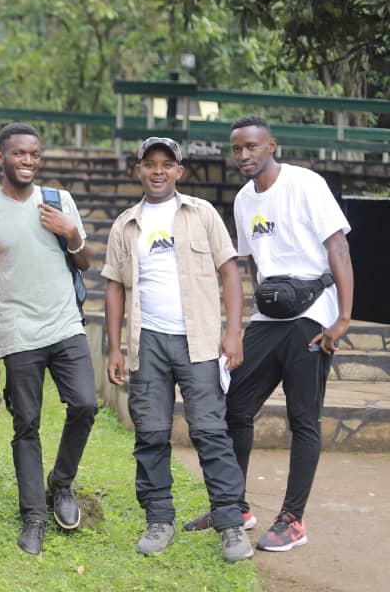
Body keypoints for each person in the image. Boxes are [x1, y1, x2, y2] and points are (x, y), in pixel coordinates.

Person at [185, 116, 354, 553]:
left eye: (252, 147)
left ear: (271, 146)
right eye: (237, 148)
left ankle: (293, 520)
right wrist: (244, 323)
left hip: (313, 316)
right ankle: (235, 505)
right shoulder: (244, 200)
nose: (243, 155)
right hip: (268, 319)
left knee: (303, 420)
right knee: (234, 407)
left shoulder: (306, 184)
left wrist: (341, 321)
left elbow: (339, 249)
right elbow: (253, 263)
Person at [0, 123, 97, 556]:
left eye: (34, 154)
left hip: (65, 326)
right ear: (0, 158)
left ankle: (61, 484)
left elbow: (84, 260)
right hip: (19, 336)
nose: (27, 161)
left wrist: (71, 231)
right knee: (26, 424)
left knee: (84, 404)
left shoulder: (58, 201)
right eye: (18, 154)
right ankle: (33, 517)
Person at [102, 137, 253, 562]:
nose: (157, 171)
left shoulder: (201, 215)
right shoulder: (126, 224)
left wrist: (233, 332)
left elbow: (230, 273)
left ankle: (229, 524)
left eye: (166, 164)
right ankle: (159, 519)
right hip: (146, 342)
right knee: (150, 434)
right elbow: (114, 288)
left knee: (210, 432)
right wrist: (115, 348)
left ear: (178, 172)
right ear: (139, 170)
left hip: (200, 341)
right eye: (149, 164)